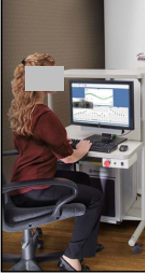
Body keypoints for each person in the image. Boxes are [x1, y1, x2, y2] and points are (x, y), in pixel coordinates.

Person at [8, 52, 104, 271]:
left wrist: (56, 143)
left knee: (83, 179)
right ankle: (71, 258)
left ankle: (84, 247)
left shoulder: (21, 109)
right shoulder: (44, 115)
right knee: (96, 198)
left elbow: (26, 146)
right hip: (36, 188)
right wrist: (80, 148)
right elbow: (69, 157)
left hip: (21, 184)